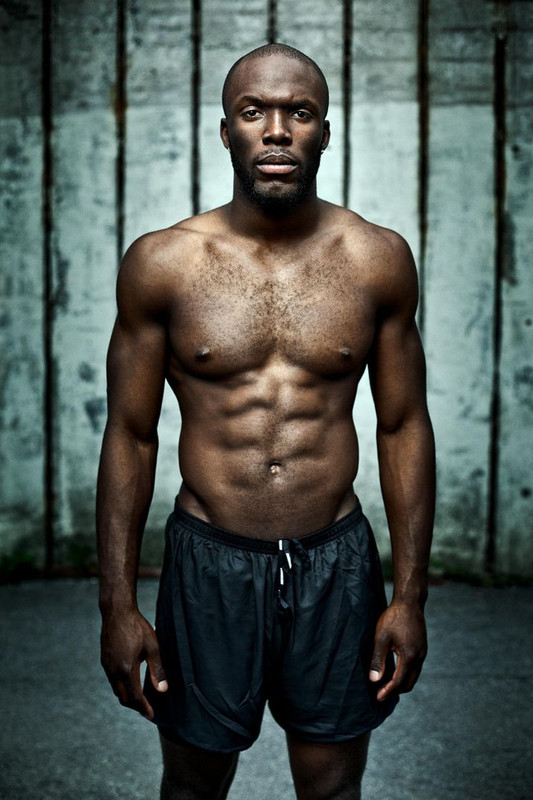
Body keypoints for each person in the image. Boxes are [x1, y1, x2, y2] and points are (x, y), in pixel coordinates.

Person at [97, 43, 435, 800]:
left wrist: (409, 597)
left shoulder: (377, 259)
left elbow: (403, 426)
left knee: (329, 785)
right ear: (226, 132)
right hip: (209, 560)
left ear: (323, 131)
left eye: (298, 113)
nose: (276, 130)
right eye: (254, 112)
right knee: (193, 783)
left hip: (335, 563)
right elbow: (131, 434)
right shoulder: (163, 264)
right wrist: (115, 605)